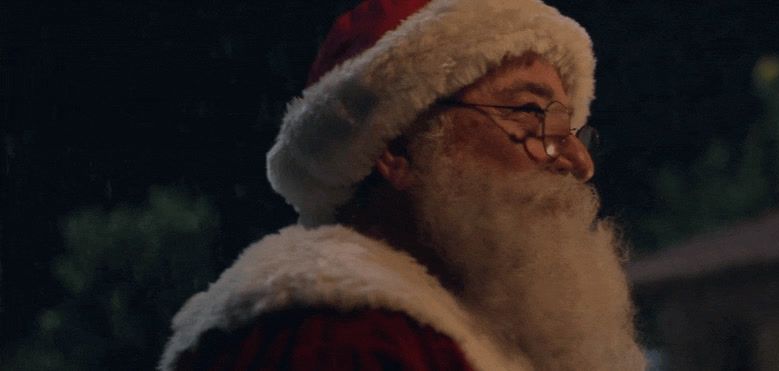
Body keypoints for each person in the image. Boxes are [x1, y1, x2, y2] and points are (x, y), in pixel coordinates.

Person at [159, 0, 646, 370]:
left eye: (570, 131)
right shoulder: (337, 332)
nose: (579, 162)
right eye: (529, 113)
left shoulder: (445, 328)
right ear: (395, 148)